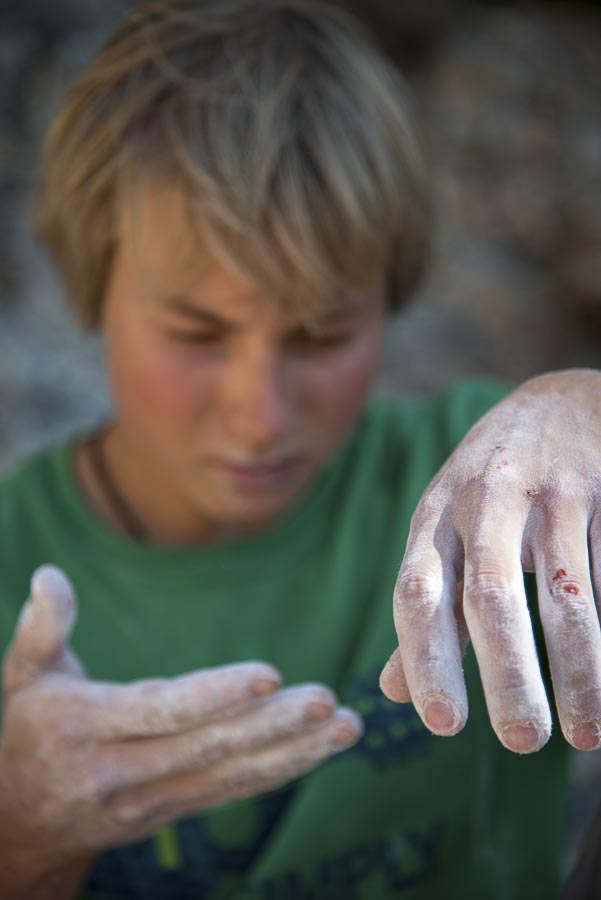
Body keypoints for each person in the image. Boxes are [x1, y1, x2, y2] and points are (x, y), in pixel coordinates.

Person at [0, 1, 599, 898]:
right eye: (196, 332)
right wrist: (24, 835)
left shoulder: (486, 485)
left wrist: (584, 403)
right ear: (91, 288)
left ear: (387, 302)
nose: (261, 415)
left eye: (321, 335)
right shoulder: (13, 554)